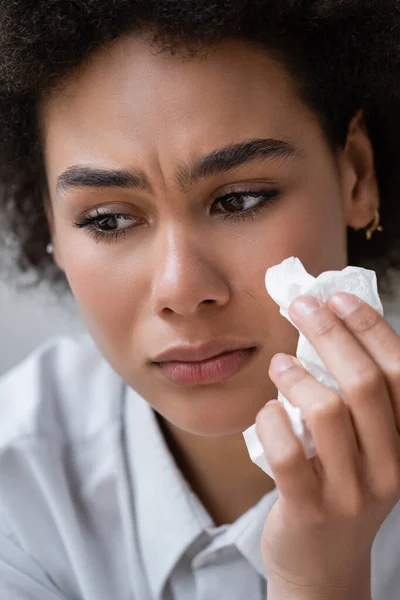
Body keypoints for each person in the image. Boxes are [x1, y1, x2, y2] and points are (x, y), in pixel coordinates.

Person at [0, 0, 399, 598]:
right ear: (51, 224)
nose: (183, 290)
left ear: (357, 178)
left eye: (239, 199)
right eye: (108, 220)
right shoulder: (16, 488)